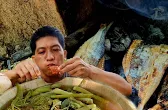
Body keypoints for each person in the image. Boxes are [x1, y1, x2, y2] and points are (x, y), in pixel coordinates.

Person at [0, 26, 132, 96]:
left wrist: (92, 71)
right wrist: (12, 75)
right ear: (34, 58)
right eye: (41, 52)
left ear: (64, 54)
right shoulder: (26, 72)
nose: (50, 57)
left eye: (55, 49)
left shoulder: (77, 70)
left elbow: (126, 89)